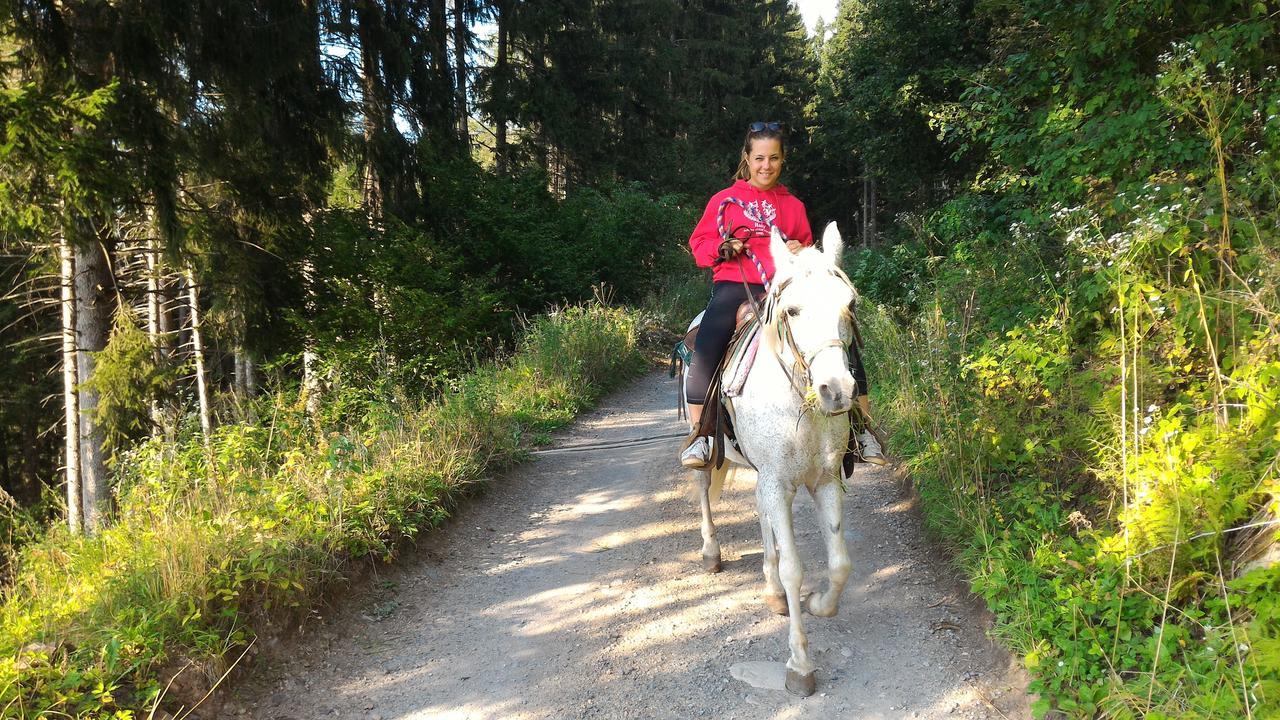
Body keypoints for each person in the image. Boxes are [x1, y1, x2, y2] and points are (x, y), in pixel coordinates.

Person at [680, 121, 886, 470]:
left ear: (782, 159)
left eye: (773, 158)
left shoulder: (793, 205)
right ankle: (702, 434)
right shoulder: (725, 201)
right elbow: (699, 244)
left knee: (841, 337)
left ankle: (860, 429)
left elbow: (808, 250)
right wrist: (723, 247)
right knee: (709, 341)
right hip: (736, 283)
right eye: (759, 158)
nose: (766, 166)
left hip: (787, 286)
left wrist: (800, 248)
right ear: (746, 158)